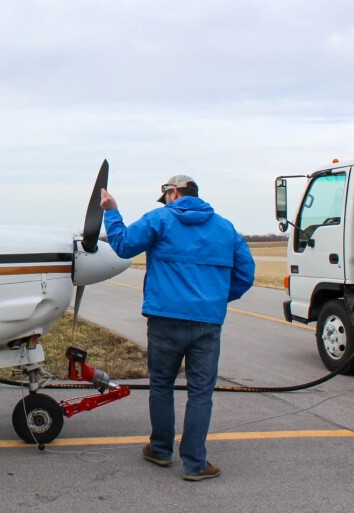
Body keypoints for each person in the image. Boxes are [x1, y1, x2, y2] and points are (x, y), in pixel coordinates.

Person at [100, 174, 254, 481]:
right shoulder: (225, 228)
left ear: (173, 192)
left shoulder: (160, 219)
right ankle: (196, 464)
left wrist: (111, 211)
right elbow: (245, 274)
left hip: (164, 320)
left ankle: (160, 450)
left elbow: (123, 245)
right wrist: (216, 299)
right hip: (207, 323)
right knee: (200, 393)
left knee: (162, 386)